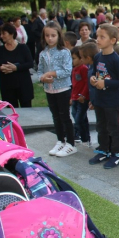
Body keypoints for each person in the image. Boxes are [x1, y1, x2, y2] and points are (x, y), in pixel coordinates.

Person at [88, 23, 119, 169]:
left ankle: (116, 153)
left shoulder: (116, 60)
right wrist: (93, 79)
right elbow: (94, 73)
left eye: (102, 37)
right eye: (97, 36)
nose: (97, 39)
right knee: (101, 126)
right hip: (99, 99)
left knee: (113, 128)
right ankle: (103, 150)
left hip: (112, 101)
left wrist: (105, 83)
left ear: (112, 40)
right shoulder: (98, 57)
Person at [37, 22, 76, 157]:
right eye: (47, 35)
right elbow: (39, 70)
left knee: (64, 115)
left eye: (53, 35)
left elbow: (66, 70)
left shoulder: (64, 52)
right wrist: (42, 78)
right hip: (49, 90)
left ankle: (71, 143)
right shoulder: (43, 53)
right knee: (55, 116)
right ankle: (60, 140)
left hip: (63, 89)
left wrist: (52, 74)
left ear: (59, 36)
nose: (50, 38)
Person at [0, 23, 34, 107]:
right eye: (1, 34)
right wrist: (1, 68)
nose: (1, 36)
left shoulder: (23, 48)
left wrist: (16, 68)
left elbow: (30, 63)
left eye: (4, 33)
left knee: (27, 109)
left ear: (11, 34)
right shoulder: (0, 50)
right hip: (7, 86)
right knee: (11, 111)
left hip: (23, 85)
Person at [70, 46, 90, 146]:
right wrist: (71, 97)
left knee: (79, 120)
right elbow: (74, 84)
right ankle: (86, 138)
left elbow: (87, 84)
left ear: (81, 58)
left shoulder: (83, 69)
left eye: (74, 58)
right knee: (79, 118)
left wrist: (83, 95)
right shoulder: (74, 69)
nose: (72, 61)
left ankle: (85, 139)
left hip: (82, 99)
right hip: (75, 98)